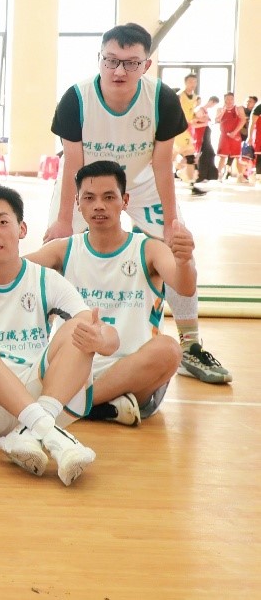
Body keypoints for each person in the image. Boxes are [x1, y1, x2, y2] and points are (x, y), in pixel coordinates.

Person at [46, 23, 229, 384]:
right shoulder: (76, 98)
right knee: (55, 251)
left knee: (178, 252)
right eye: (111, 60)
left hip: (142, 182)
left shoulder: (161, 99)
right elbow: (72, 164)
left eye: (130, 63)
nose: (118, 71)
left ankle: (190, 345)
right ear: (99, 58)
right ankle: (46, 342)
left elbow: (162, 165)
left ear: (146, 65)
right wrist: (65, 219)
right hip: (89, 184)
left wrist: (172, 223)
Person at [0, 185, 117, 486]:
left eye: (2, 222)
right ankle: (54, 437)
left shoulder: (45, 279)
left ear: (22, 229)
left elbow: (106, 334)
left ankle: (30, 432)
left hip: (32, 396)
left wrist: (100, 340)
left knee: (80, 330)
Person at [25, 161, 193, 425]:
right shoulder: (63, 249)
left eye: (109, 197)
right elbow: (12, 272)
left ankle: (68, 404)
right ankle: (102, 406)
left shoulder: (149, 249)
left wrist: (184, 261)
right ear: (77, 203)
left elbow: (185, 287)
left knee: (169, 350)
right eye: (89, 198)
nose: (99, 206)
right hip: (73, 368)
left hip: (135, 374)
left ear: (125, 201)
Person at [215, 92, 246, 180]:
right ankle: (218, 175)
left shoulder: (238, 108)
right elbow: (217, 120)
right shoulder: (220, 109)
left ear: (233, 99)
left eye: (231, 99)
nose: (229, 101)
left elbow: (243, 120)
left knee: (237, 156)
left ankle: (240, 176)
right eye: (227, 99)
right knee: (222, 156)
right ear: (224, 100)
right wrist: (223, 111)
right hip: (224, 135)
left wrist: (234, 132)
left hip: (235, 135)